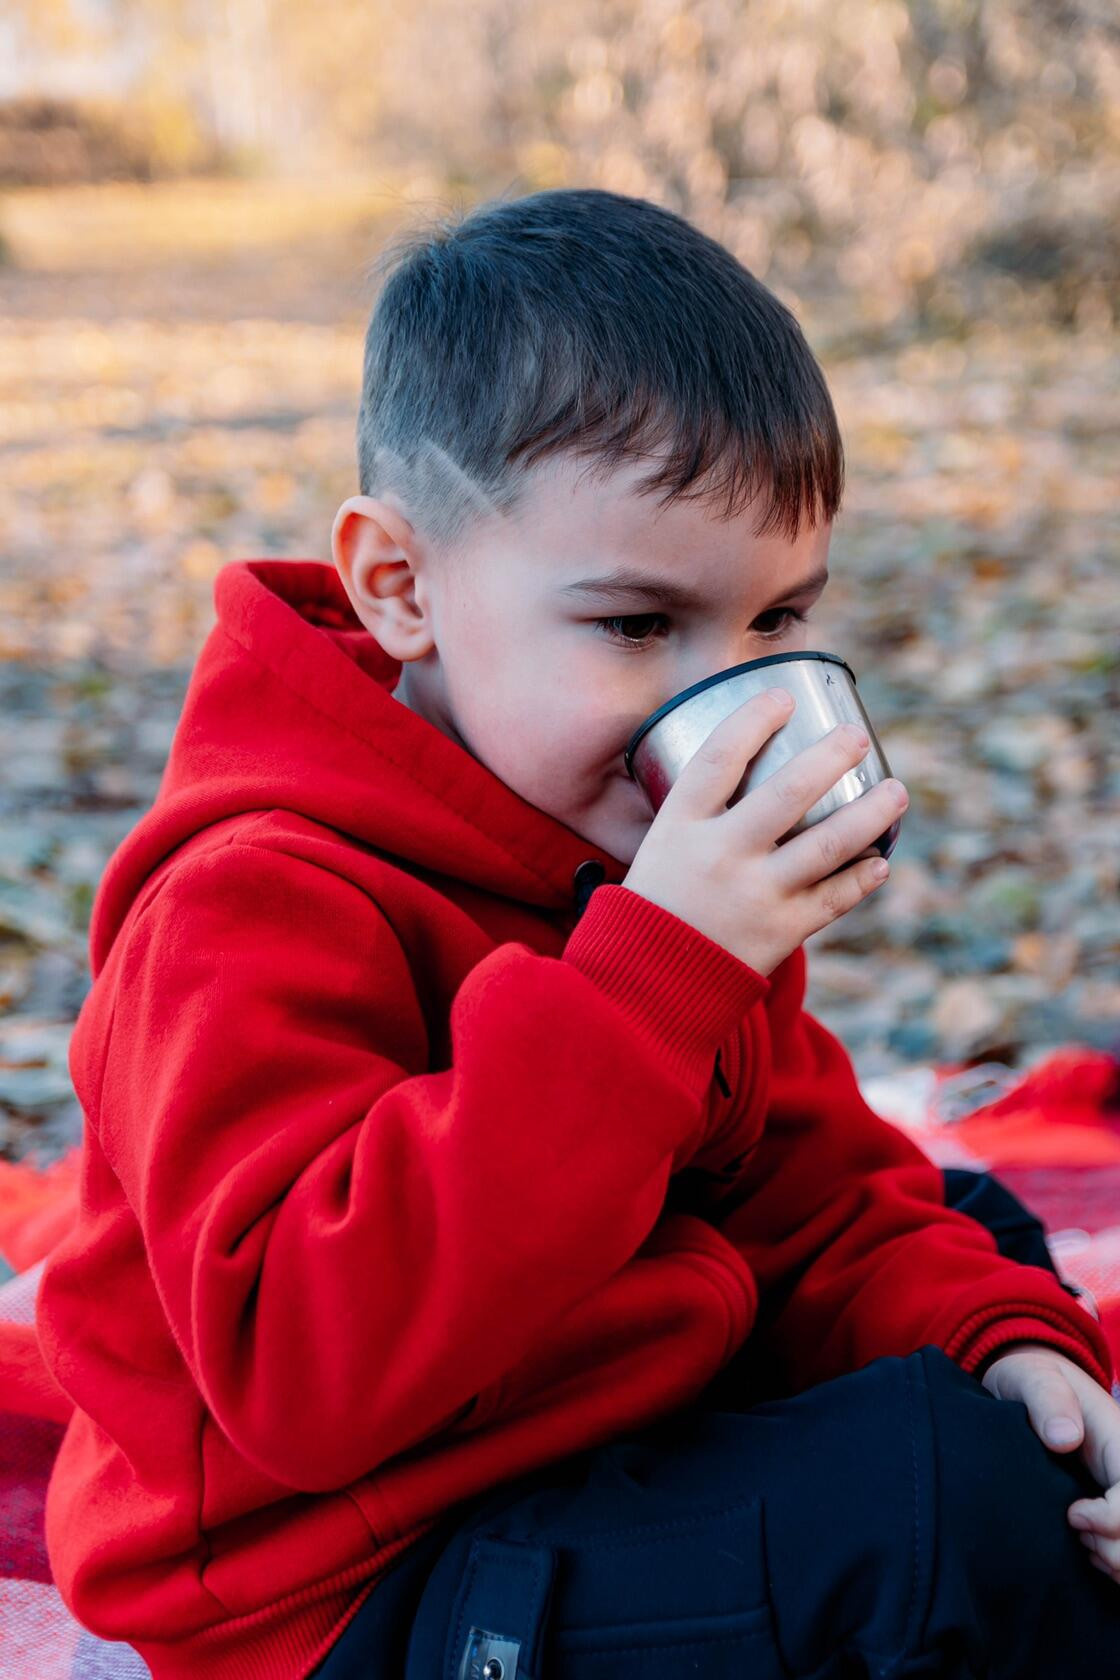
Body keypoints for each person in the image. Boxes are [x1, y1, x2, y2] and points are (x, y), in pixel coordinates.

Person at [34, 188, 1120, 1680]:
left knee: (980, 1263)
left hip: (598, 1438)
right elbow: (303, 1371)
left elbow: (803, 1189)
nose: (720, 699)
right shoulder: (247, 904)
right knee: (931, 1504)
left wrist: (1016, 1353)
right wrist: (647, 989)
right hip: (351, 1581)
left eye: (776, 621)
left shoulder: (631, 853)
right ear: (400, 587)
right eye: (635, 627)